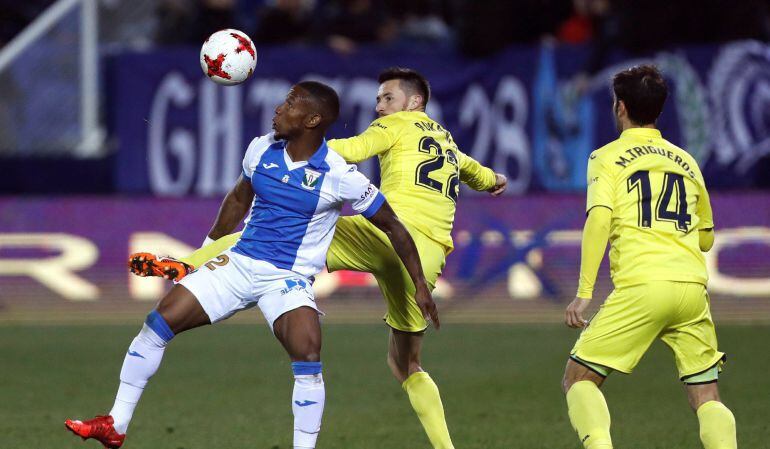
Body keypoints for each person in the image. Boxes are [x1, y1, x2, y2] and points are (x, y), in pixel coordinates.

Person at [130, 67, 507, 449]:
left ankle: (190, 262)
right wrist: (495, 180)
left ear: (415, 103)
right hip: (424, 255)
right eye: (377, 100)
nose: (379, 107)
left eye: (387, 98)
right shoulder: (448, 145)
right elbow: (477, 173)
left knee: (270, 237)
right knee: (407, 365)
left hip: (381, 233)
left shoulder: (397, 125)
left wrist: (301, 148)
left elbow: (353, 149)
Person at [65, 81, 437, 449]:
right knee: (157, 323)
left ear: (312, 120)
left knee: (308, 354)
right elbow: (239, 199)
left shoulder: (341, 175)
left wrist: (419, 283)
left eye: (290, 104)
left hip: (287, 279)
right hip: (239, 264)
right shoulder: (261, 148)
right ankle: (115, 423)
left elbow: (394, 227)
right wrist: (204, 255)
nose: (279, 109)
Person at [561, 65, 736, 449]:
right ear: (658, 110)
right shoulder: (686, 161)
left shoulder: (606, 157)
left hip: (643, 284)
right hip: (692, 289)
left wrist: (585, 291)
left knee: (579, 378)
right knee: (706, 394)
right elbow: (706, 238)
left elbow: (600, 220)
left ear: (620, 107)